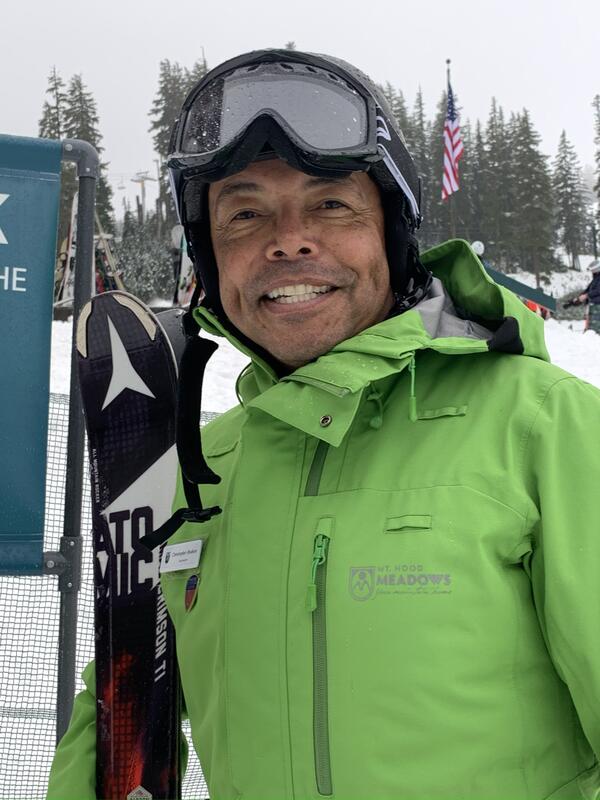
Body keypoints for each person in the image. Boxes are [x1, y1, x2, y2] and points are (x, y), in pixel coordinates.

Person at [48, 49, 600, 800]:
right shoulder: (202, 471)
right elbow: (123, 700)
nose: (288, 240)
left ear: (392, 232)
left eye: (332, 204)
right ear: (211, 256)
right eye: (245, 214)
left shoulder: (547, 429)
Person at [570, 260, 600, 333]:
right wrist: (579, 297)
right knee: (590, 323)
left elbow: (598, 290)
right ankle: (589, 333)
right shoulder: (596, 278)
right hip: (593, 304)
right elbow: (589, 289)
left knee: (595, 326)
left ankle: (594, 334)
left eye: (592, 270)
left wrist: (586, 295)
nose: (591, 272)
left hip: (598, 306)